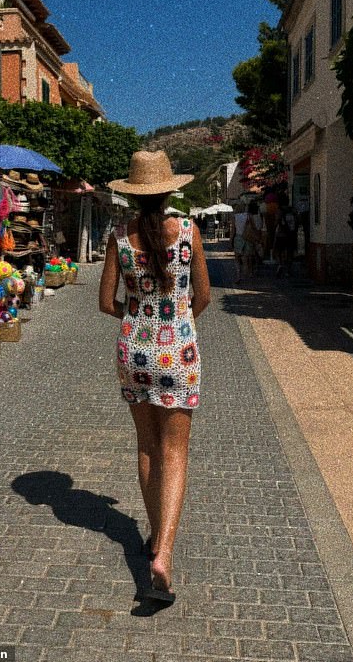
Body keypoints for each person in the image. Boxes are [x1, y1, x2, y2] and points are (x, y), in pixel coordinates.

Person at [99, 150, 211, 604]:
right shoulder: (188, 231)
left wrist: (138, 316)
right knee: (175, 452)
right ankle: (163, 553)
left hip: (135, 348)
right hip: (177, 350)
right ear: (169, 191)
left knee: (147, 446)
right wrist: (177, 318)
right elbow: (202, 296)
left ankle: (151, 536)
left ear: (131, 194)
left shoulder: (119, 238)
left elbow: (107, 302)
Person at [230, 200, 262, 282]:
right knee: (247, 256)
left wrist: (231, 241)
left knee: (237, 258)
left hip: (238, 238)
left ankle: (238, 275)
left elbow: (233, 230)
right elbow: (254, 228)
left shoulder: (235, 216)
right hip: (247, 238)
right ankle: (249, 273)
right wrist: (257, 237)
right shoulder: (249, 215)